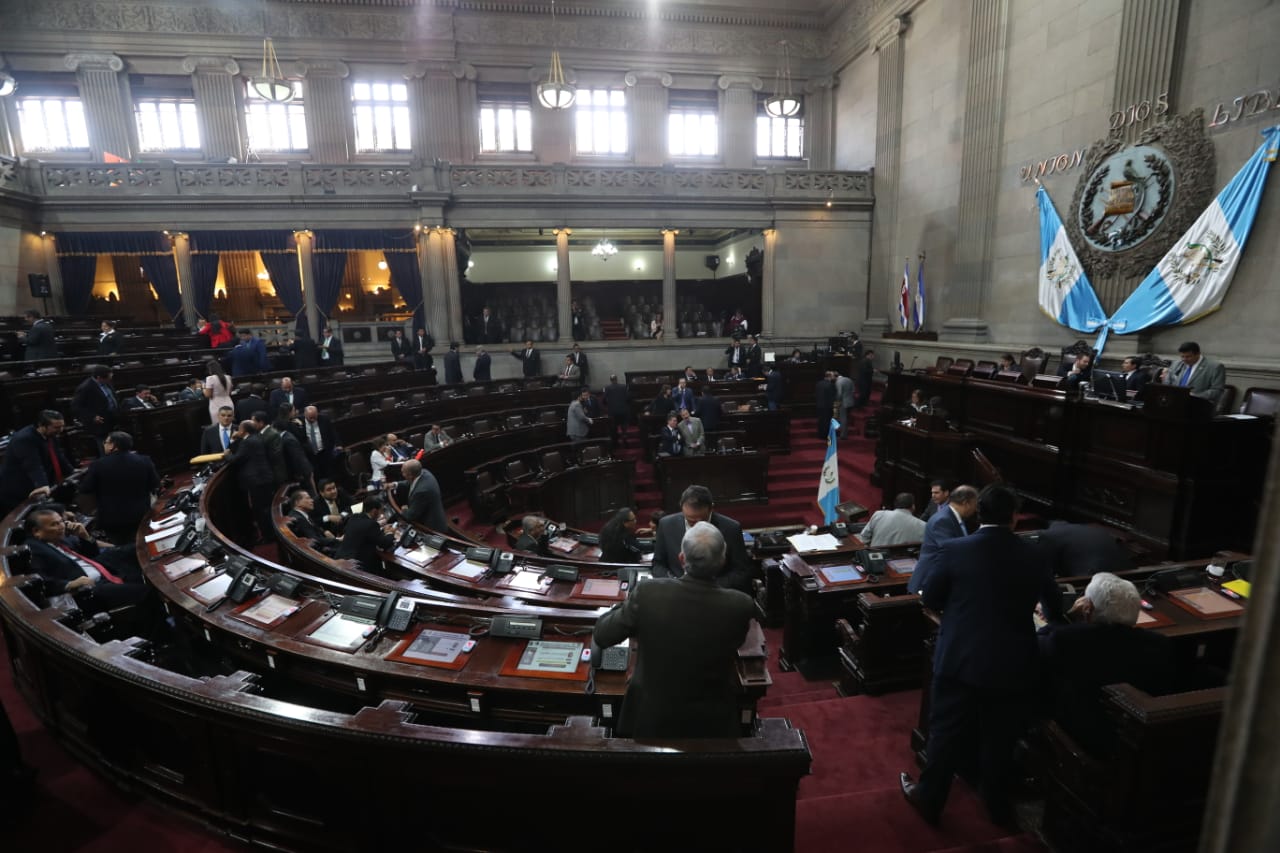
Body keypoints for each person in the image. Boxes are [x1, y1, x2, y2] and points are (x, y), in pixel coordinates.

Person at [900, 484, 1064, 828]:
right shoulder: (1034, 554)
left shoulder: (954, 550)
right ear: (1015, 518)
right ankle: (996, 806)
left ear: (979, 513)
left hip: (960, 655)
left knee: (944, 731)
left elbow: (929, 597)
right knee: (1000, 737)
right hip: (1012, 660)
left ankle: (930, 800)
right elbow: (1055, 607)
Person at [593, 521, 755, 738]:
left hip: (650, 718)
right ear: (723, 561)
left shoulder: (648, 593)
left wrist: (630, 605)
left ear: (682, 558)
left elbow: (602, 634)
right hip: (711, 723)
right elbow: (735, 642)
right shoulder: (741, 605)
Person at [1037, 572, 1176, 754]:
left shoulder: (1064, 640)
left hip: (1080, 742)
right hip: (1140, 742)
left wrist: (1066, 618)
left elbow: (1035, 645)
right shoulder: (1159, 644)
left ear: (1087, 609)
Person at [23, 508, 153, 612]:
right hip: (89, 589)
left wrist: (85, 536)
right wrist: (68, 584)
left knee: (135, 549)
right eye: (54, 524)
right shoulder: (33, 548)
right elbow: (40, 580)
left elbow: (91, 553)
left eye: (61, 521)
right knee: (146, 592)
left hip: (100, 569)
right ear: (36, 531)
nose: (61, 526)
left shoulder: (60, 538)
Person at [650, 485, 751, 595]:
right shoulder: (666, 525)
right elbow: (658, 564)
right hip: (677, 595)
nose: (695, 526)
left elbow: (741, 571)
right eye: (690, 521)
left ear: (711, 508)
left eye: (700, 521)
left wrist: (710, 588)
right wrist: (675, 583)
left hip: (715, 597)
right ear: (681, 506)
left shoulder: (731, 528)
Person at [78, 431, 160, 544]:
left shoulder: (98, 465)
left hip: (113, 518)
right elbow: (155, 484)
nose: (104, 445)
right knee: (144, 544)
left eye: (106, 442)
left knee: (121, 548)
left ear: (112, 445)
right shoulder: (144, 460)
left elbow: (85, 488)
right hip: (141, 514)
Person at [907, 484, 979, 595]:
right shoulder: (943, 520)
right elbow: (951, 552)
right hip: (928, 583)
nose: (975, 509)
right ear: (966, 503)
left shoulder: (953, 517)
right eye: (975, 504)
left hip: (939, 580)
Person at [0, 410, 73, 519]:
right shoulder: (24, 439)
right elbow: (32, 465)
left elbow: (58, 455)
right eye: (57, 428)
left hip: (36, 485)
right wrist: (42, 485)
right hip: (19, 489)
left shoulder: (50, 434)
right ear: (41, 426)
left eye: (62, 426)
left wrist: (71, 471)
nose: (61, 430)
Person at [225, 419, 276, 543]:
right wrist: (234, 440)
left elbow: (236, 459)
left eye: (239, 429)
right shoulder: (257, 437)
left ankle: (268, 537)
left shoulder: (247, 442)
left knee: (260, 510)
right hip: (265, 478)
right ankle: (271, 534)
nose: (238, 431)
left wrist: (227, 455)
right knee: (267, 508)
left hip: (256, 481)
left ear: (243, 430)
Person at [1035, 520, 1133, 577]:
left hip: (1093, 576)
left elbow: (1046, 571)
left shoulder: (1048, 535)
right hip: (1126, 572)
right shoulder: (1088, 529)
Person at [335, 496, 395, 574]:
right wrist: (390, 532)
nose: (381, 514)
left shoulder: (354, 517)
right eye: (380, 511)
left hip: (341, 559)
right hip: (357, 566)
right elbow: (384, 544)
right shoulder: (372, 525)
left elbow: (363, 532)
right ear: (374, 511)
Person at [71, 365, 118, 451]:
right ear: (99, 377)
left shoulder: (106, 382)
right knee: (105, 448)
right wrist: (92, 417)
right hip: (100, 423)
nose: (110, 380)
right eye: (108, 378)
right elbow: (76, 407)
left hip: (112, 419)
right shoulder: (85, 387)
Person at [860, 493, 927, 548]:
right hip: (904, 561)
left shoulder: (878, 514)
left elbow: (864, 536)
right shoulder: (923, 525)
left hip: (876, 558)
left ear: (895, 504)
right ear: (913, 506)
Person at [399, 459, 448, 532]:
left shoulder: (421, 492)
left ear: (410, 475)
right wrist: (395, 484)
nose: (402, 474)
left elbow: (411, 516)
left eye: (403, 472)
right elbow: (411, 482)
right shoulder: (424, 472)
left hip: (432, 528)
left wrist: (404, 510)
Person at [301, 405, 340, 479]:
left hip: (324, 452)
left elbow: (333, 432)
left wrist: (338, 444)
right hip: (310, 455)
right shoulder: (299, 422)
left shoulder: (324, 419)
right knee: (317, 475)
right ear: (305, 415)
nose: (312, 420)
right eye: (310, 418)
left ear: (317, 414)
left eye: (314, 417)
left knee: (329, 473)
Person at [603, 374, 631, 449]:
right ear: (616, 379)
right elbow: (628, 397)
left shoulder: (607, 388)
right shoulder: (624, 387)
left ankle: (616, 443)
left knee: (614, 427)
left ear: (611, 380)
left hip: (613, 412)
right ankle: (624, 439)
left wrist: (608, 405)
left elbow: (604, 400)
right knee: (624, 426)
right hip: (623, 410)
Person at [204, 357, 233, 424]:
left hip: (216, 405)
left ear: (210, 369)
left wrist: (203, 388)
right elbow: (229, 392)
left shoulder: (210, 378)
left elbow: (208, 395)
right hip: (229, 403)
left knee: (219, 428)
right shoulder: (228, 377)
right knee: (229, 426)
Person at [815, 370, 837, 439]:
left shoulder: (818, 383)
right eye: (833, 376)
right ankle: (826, 435)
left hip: (819, 405)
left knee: (821, 420)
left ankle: (820, 434)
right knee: (827, 421)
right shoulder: (831, 385)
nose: (834, 377)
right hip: (827, 406)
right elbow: (833, 396)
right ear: (829, 376)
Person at [834, 370, 855, 438]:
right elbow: (853, 390)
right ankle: (845, 433)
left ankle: (843, 435)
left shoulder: (838, 382)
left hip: (843, 402)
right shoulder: (849, 379)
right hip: (851, 401)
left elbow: (839, 394)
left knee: (843, 418)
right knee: (846, 418)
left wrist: (837, 401)